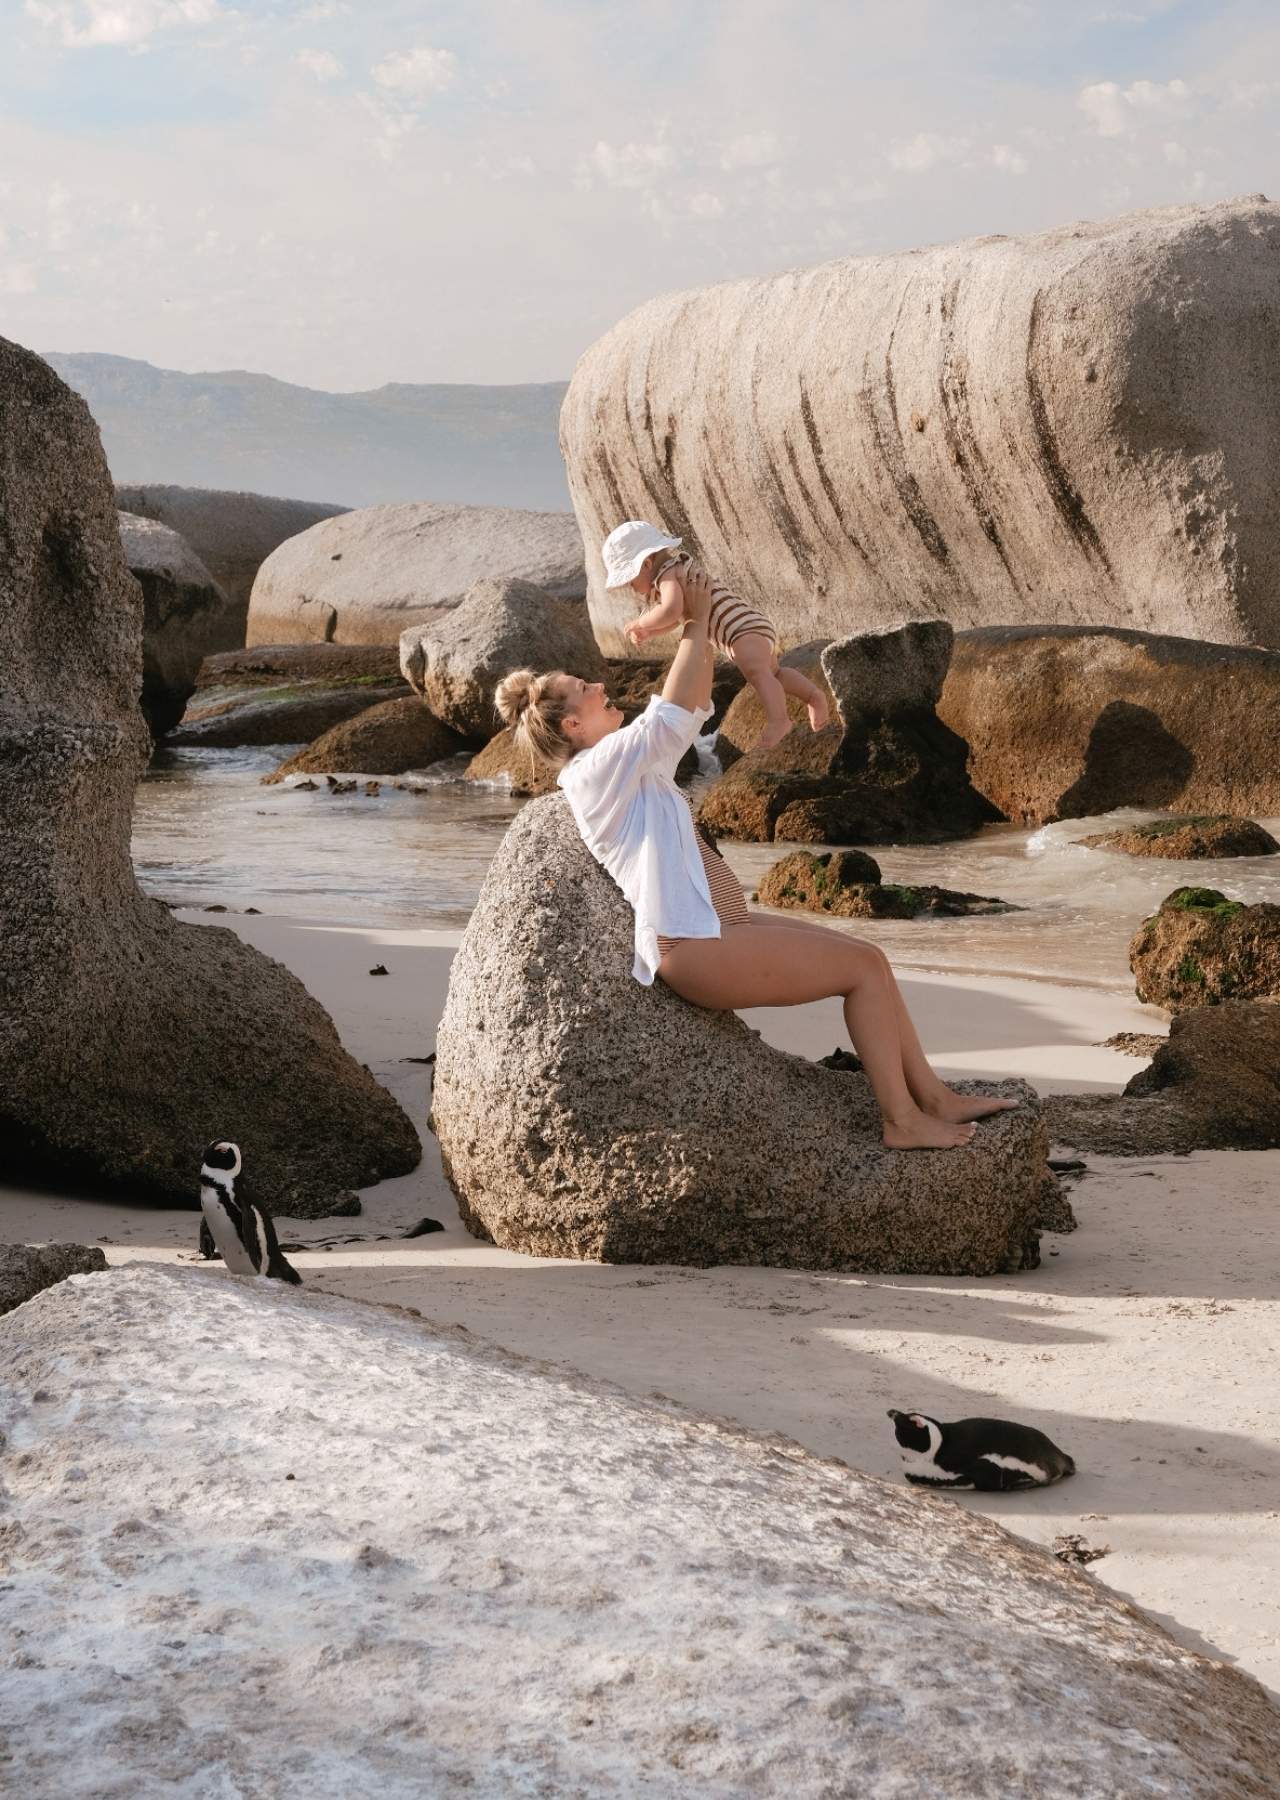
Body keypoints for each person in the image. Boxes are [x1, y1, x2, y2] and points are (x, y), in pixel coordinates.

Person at [494, 568, 1016, 1152]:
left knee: (872, 956)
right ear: (572, 724)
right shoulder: (593, 773)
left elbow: (686, 712)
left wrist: (704, 621)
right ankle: (902, 1120)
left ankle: (935, 1098)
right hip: (693, 947)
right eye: (584, 688)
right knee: (862, 975)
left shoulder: (626, 767)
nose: (597, 685)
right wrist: (692, 620)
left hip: (720, 926)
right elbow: (667, 718)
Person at [600, 519, 827, 750]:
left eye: (629, 581)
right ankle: (814, 697)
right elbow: (679, 618)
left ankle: (779, 722)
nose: (631, 588)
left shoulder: (667, 574)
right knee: (773, 673)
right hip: (748, 626)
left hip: (741, 629)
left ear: (647, 563)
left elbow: (670, 610)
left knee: (758, 673)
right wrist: (650, 630)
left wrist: (641, 622)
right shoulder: (676, 570)